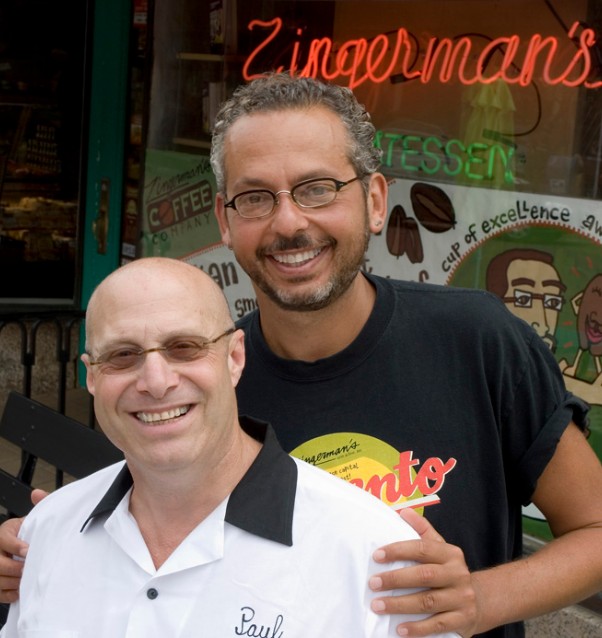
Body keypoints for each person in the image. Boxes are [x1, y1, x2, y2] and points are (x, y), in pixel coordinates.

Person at [0, 72, 601, 637]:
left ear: (374, 201)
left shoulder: (475, 340)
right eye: (255, 197)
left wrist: (478, 600)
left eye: (317, 189)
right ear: (225, 220)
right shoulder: (201, 378)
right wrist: (58, 548)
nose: (289, 223)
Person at [0, 257, 457, 637]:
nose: (156, 382)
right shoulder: (46, 533)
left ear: (235, 357)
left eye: (184, 347)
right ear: (92, 377)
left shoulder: (372, 553)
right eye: (123, 355)